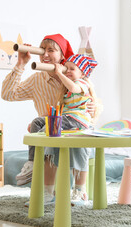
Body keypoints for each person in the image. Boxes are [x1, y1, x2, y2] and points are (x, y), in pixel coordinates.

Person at [1, 34, 97, 204]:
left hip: (74, 129)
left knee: (78, 145)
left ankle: (79, 191)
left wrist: (94, 108)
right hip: (51, 132)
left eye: (51, 50)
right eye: (42, 51)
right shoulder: (37, 79)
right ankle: (47, 192)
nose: (45, 55)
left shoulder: (72, 75)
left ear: (62, 56)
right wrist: (20, 64)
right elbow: (8, 94)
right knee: (46, 141)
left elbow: (92, 100)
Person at [37, 54, 98, 205]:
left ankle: (79, 190)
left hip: (78, 122)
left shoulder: (82, 83)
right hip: (68, 120)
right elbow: (62, 108)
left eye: (73, 69)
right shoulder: (66, 90)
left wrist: (59, 73)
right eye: (67, 68)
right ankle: (35, 166)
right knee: (39, 125)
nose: (68, 71)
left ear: (83, 73)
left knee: (49, 132)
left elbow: (73, 87)